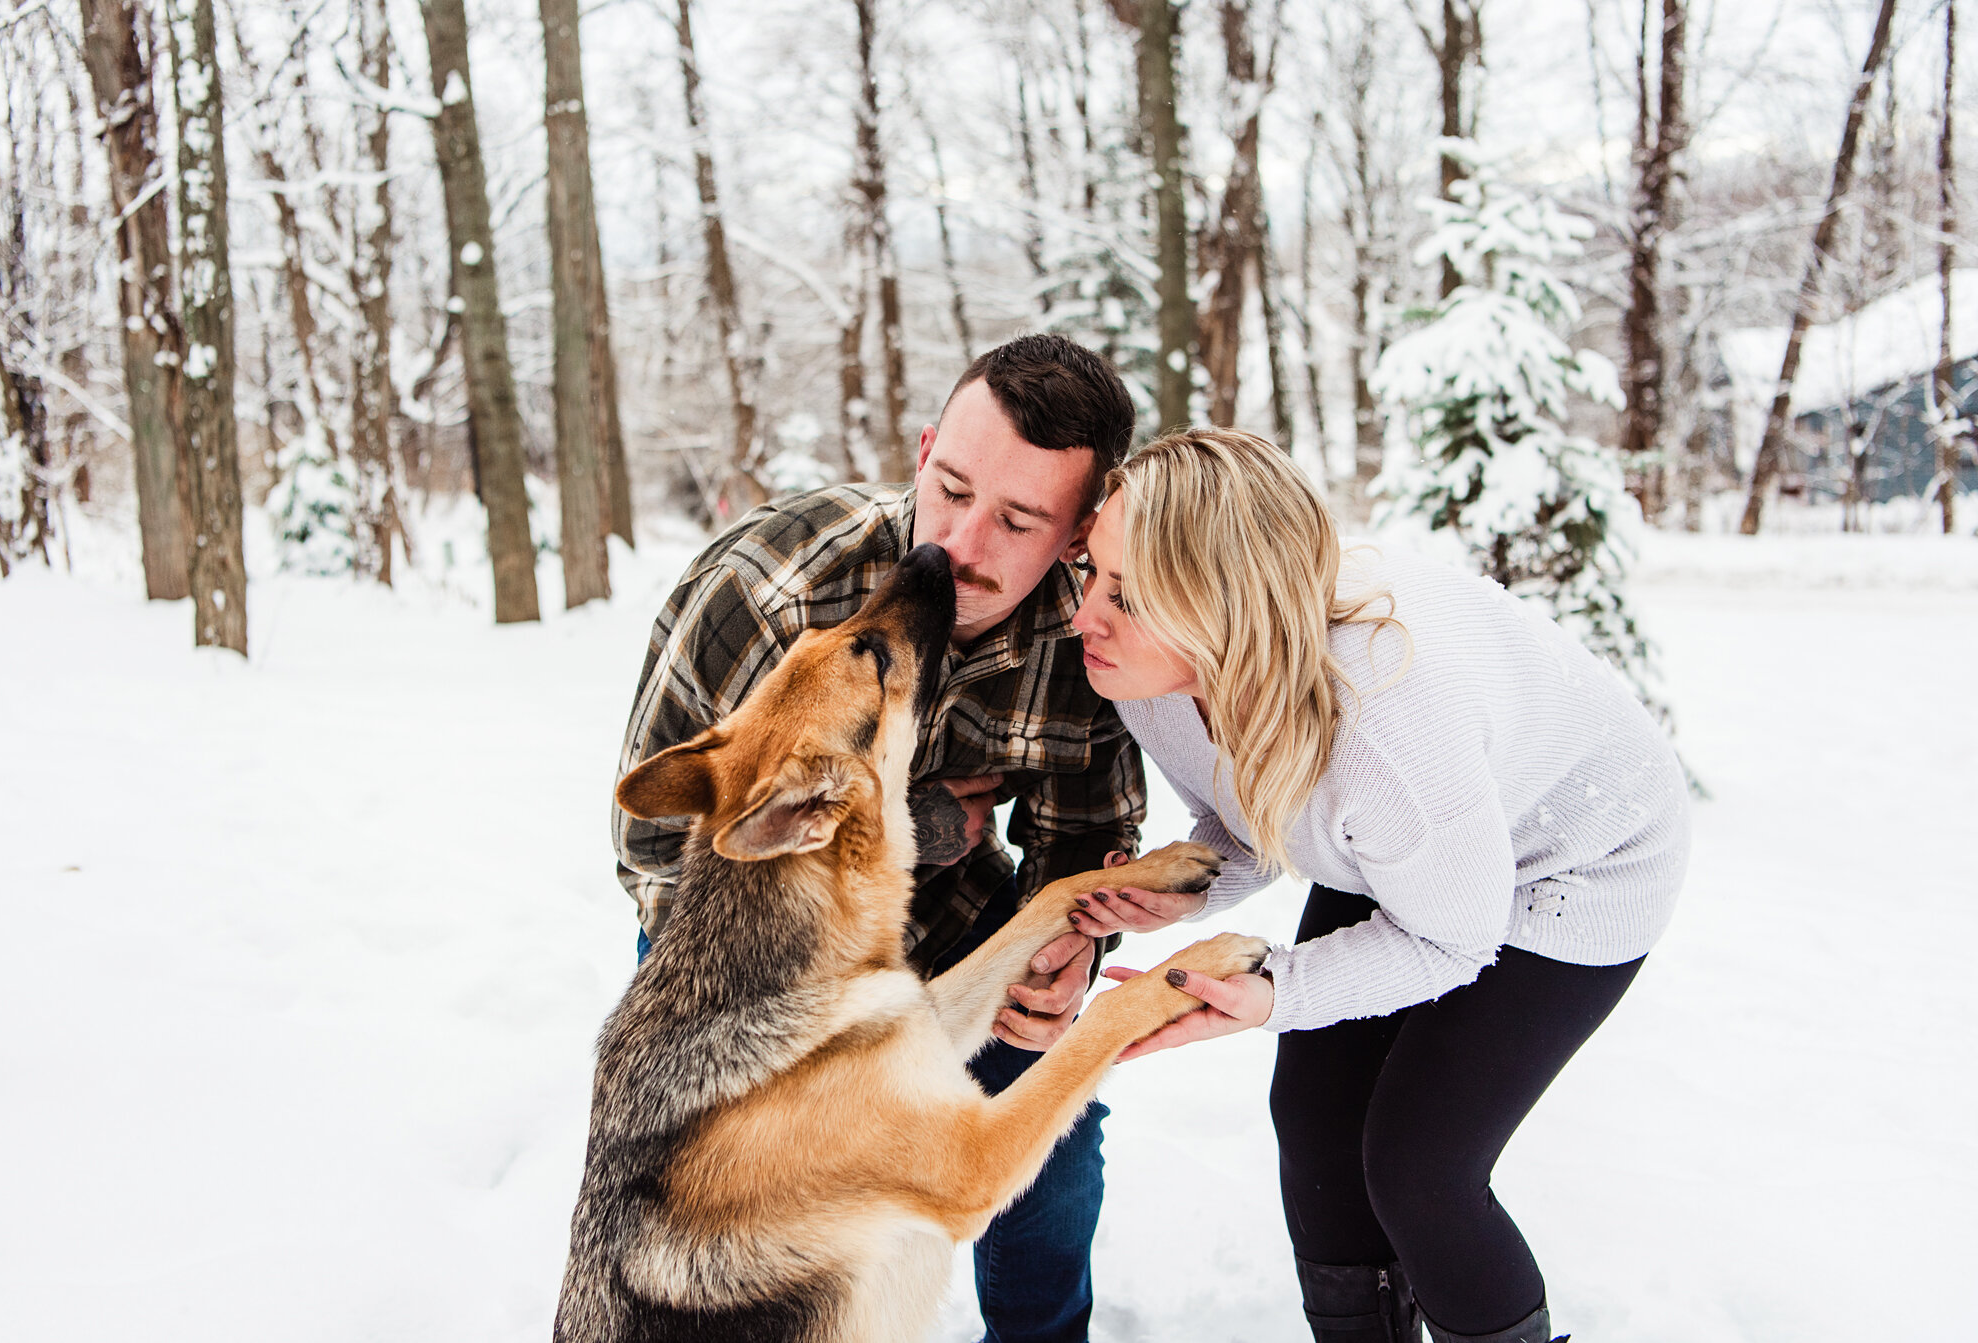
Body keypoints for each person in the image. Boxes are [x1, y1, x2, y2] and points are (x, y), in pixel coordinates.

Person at [1046, 428, 1689, 1343]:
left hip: (1579, 850)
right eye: (1095, 576)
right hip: (1414, 841)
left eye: (1130, 595)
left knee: (1421, 1165)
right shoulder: (1147, 675)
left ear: (1223, 603)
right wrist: (1188, 888)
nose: (1085, 618)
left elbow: (1449, 938)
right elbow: (1256, 816)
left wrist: (1272, 990)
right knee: (1312, 1115)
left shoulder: (1387, 731)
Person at [615, 334, 1146, 1343]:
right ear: (923, 447)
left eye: (1018, 518)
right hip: (742, 957)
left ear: (1080, 532)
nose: (959, 544)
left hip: (947, 919)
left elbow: (1087, 834)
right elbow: (654, 845)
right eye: (949, 487)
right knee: (755, 1221)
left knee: (1049, 1159)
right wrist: (937, 817)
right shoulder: (769, 589)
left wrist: (1068, 950)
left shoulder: (1098, 635)